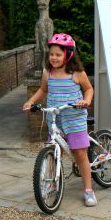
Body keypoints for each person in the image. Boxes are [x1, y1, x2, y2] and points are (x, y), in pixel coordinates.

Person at [22, 33, 96, 206]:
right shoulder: (48, 72)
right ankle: (52, 183)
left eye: (58, 54)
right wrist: (31, 101)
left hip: (74, 118)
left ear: (68, 54)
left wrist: (86, 101)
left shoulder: (77, 73)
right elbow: (42, 90)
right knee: (55, 151)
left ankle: (88, 190)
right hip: (55, 118)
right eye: (51, 54)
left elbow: (89, 89)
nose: (53, 57)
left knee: (80, 153)